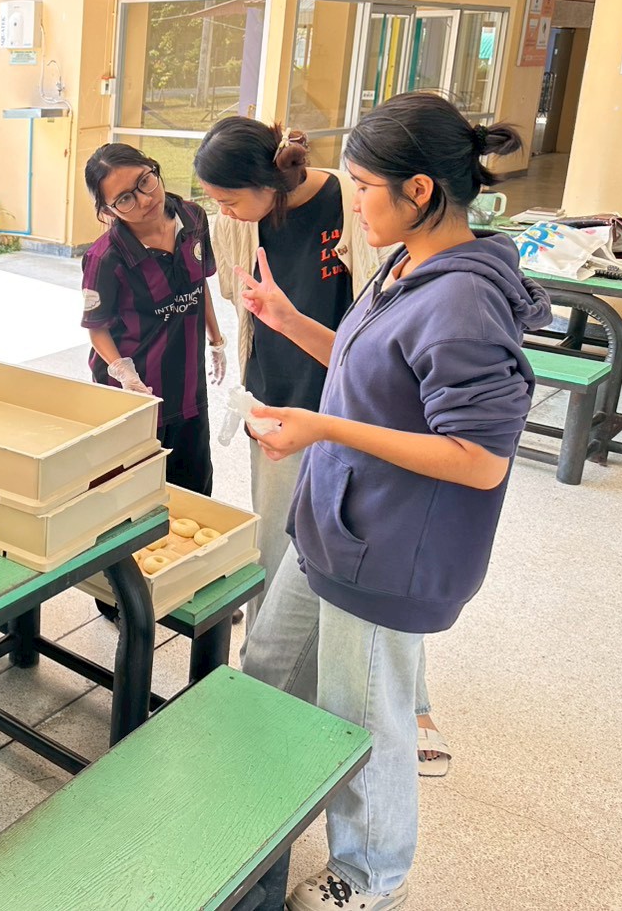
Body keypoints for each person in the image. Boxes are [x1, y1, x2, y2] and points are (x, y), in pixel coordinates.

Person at [238, 92, 552, 910]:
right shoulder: (406, 262)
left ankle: (369, 876)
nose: (352, 202)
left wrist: (319, 428)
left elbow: (478, 459)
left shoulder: (463, 302)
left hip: (386, 549)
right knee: (267, 670)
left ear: (418, 190)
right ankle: (258, 810)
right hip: (334, 522)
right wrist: (289, 320)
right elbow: (370, 367)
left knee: (365, 716)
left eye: (362, 186)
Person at [197, 117, 451, 778]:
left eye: (229, 199)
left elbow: (383, 325)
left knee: (372, 562)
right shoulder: (236, 223)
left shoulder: (355, 208)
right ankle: (270, 675)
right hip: (277, 393)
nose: (223, 213)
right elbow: (243, 303)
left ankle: (412, 702)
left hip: (352, 404)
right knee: (275, 546)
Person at [80, 143, 226, 494]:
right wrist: (123, 372)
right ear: (108, 210)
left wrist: (216, 340)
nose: (145, 200)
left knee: (194, 488)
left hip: (188, 383)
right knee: (134, 494)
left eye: (144, 181)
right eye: (124, 199)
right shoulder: (106, 258)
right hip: (136, 392)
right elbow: (97, 328)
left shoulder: (192, 218)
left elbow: (198, 284)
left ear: (154, 168)